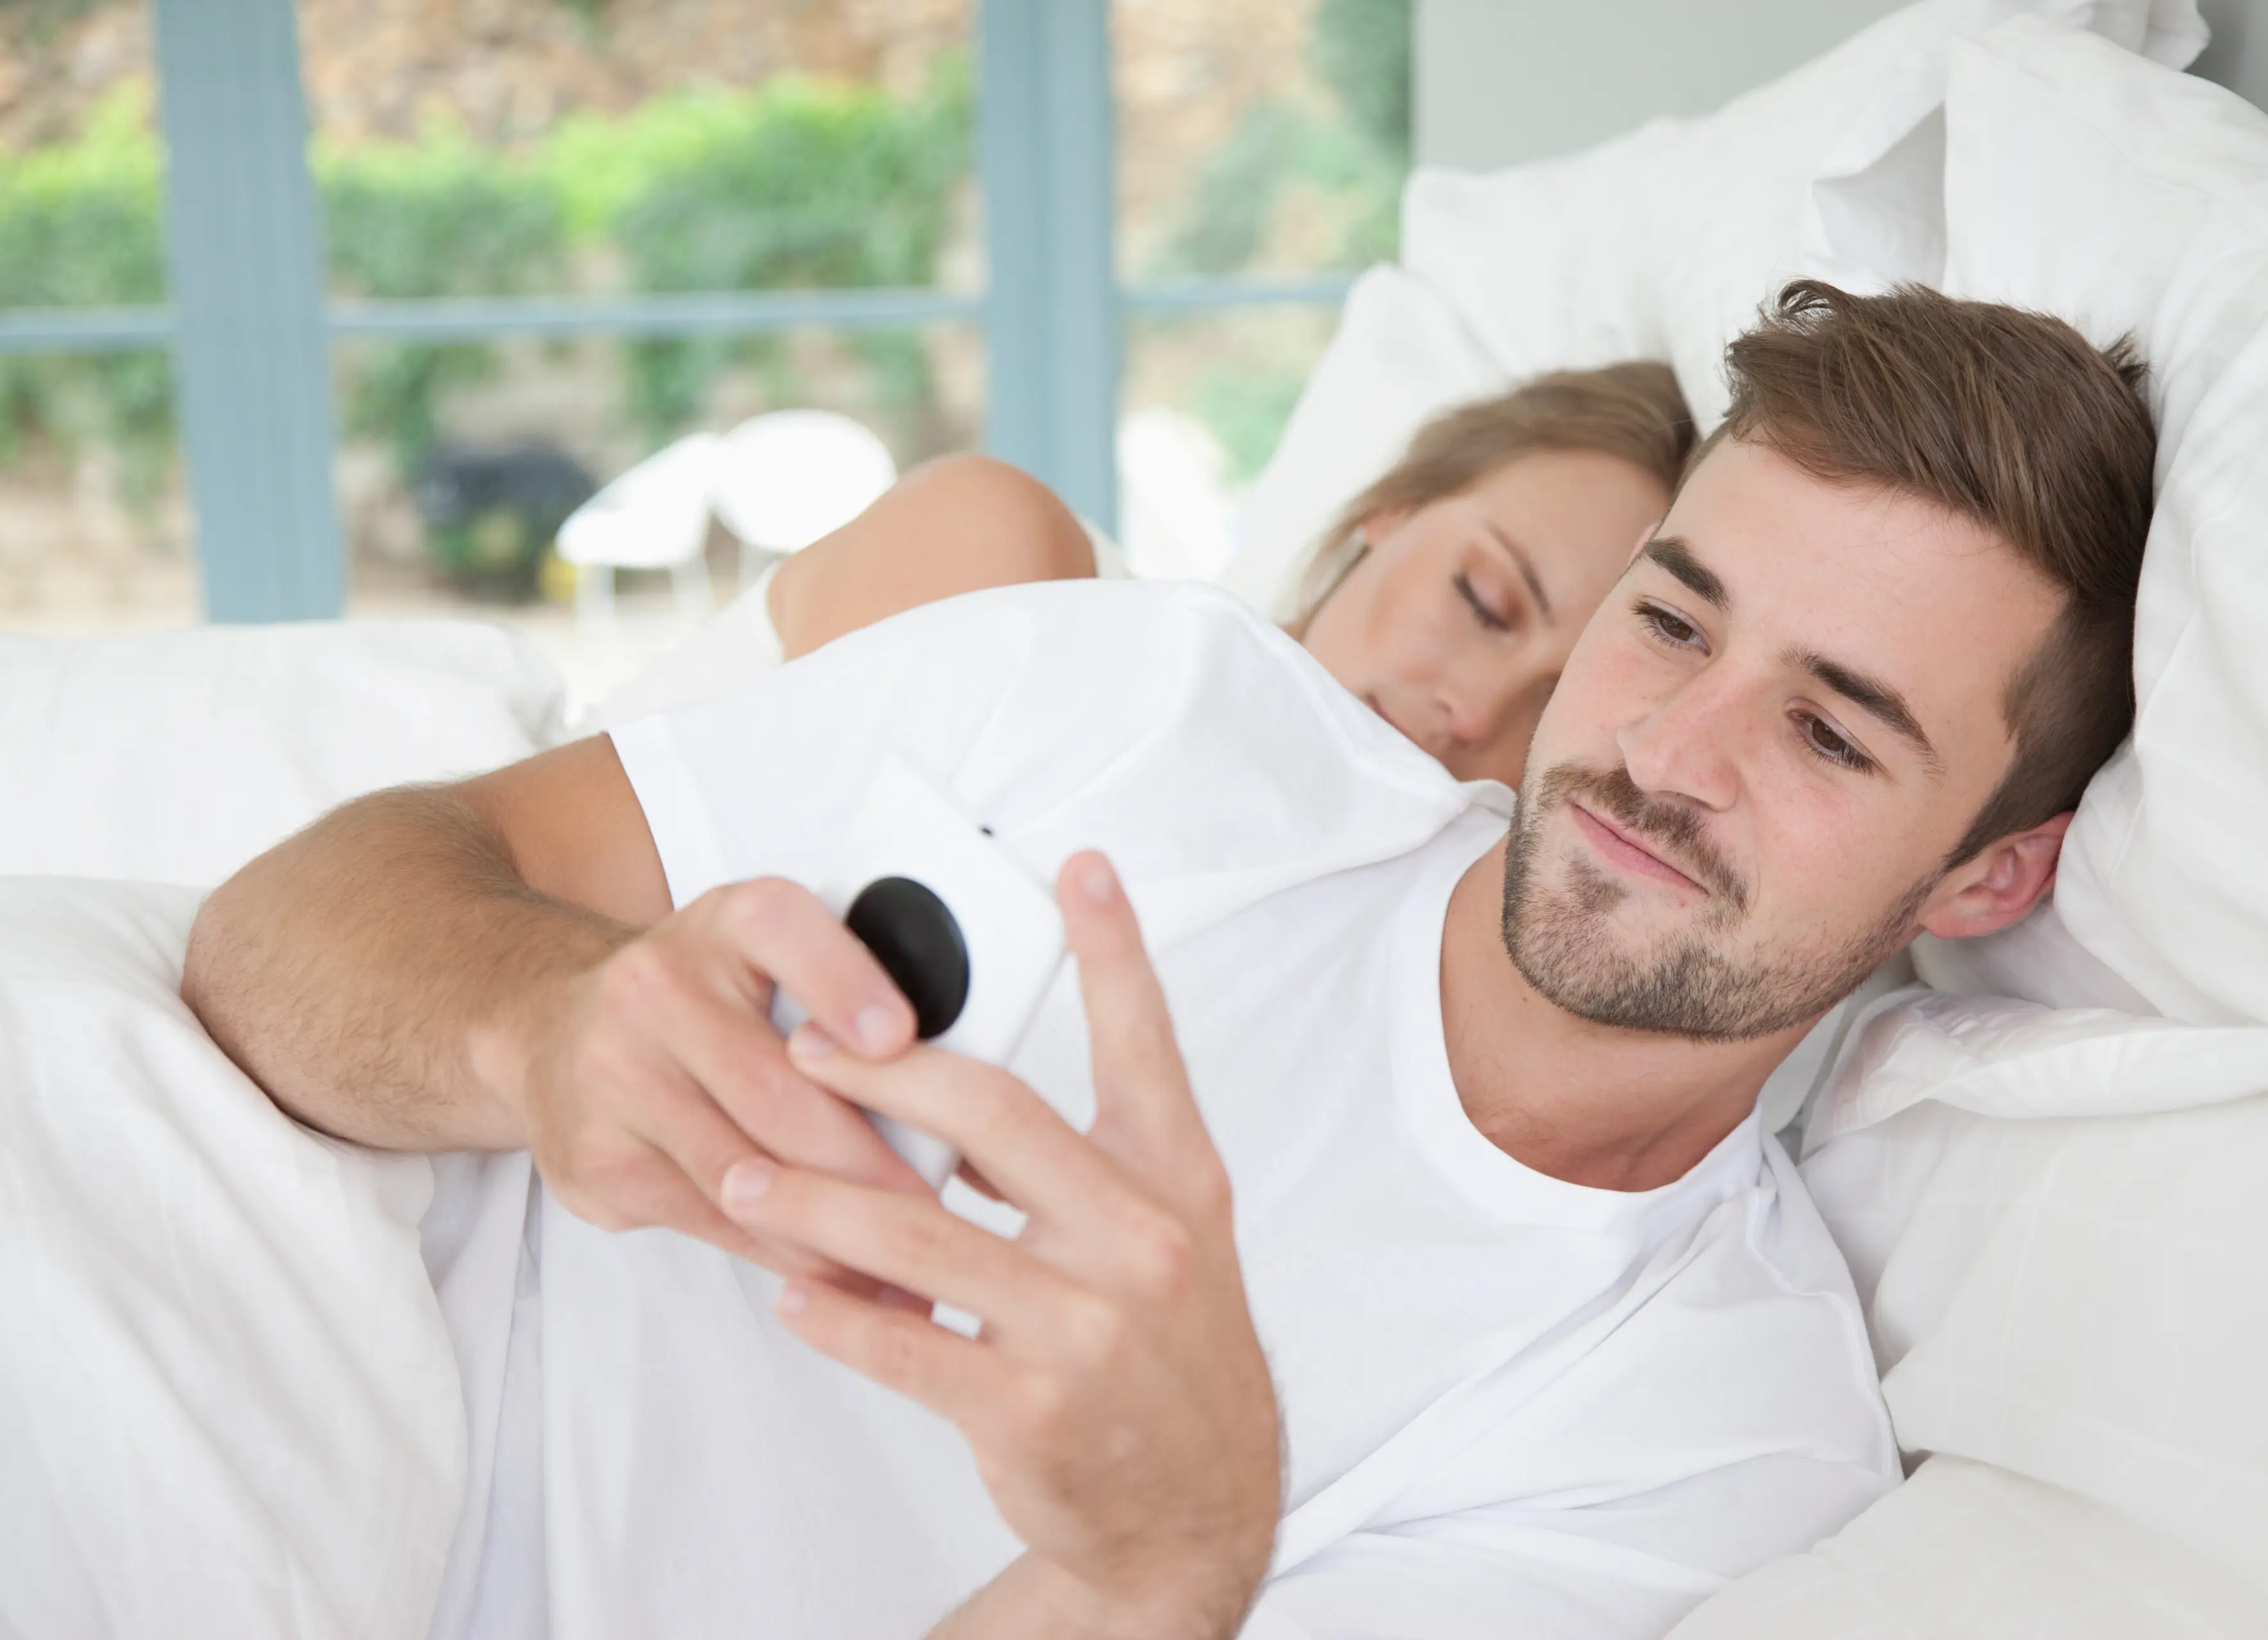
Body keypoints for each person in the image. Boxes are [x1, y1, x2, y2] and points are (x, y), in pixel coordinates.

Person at [183, 281, 2157, 1639]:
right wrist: (536, 1028)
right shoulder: (1149, 703)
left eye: (1829, 732)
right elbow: (279, 932)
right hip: (268, 1405)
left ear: (1988, 878)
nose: (1665, 749)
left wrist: (1157, 1570)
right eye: (1670, 621)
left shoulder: (1711, 1431)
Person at [627, 361, 1694, 789]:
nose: (1477, 711)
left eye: (1557, 708)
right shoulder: (1010, 564)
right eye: (1484, 601)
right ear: (1393, 510)